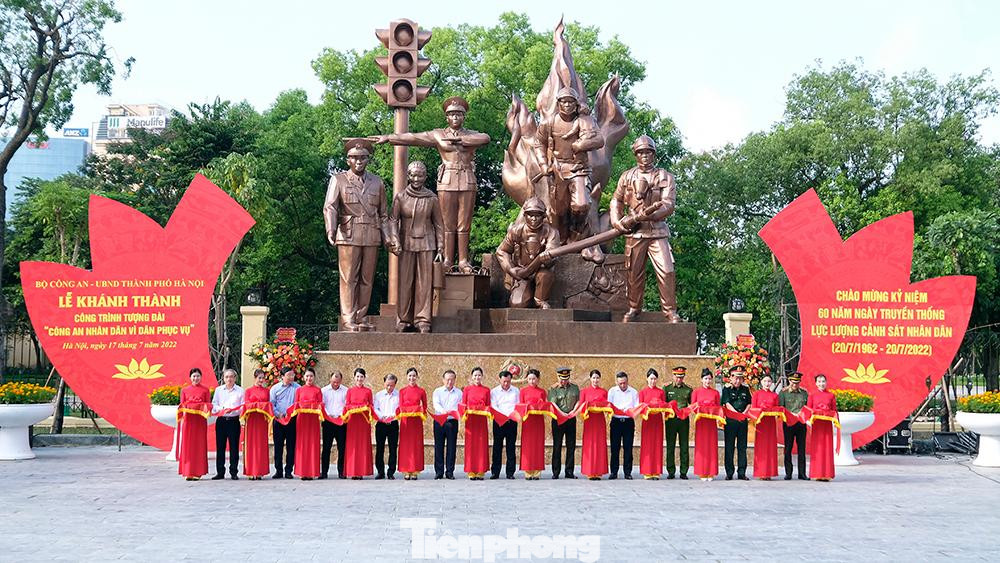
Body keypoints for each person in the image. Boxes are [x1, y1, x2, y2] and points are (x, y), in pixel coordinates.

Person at [373, 96, 491, 273]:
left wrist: (462, 141)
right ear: (447, 118)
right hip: (446, 181)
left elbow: (486, 138)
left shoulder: (471, 134)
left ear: (464, 117)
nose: (456, 117)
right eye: (452, 114)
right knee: (447, 223)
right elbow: (413, 137)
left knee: (464, 224)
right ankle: (448, 260)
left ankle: (464, 261)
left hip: (467, 179)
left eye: (459, 114)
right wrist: (390, 137)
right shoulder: (439, 134)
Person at [609, 134, 680, 322]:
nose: (645, 156)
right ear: (636, 155)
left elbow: (669, 204)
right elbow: (616, 200)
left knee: (667, 270)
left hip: (657, 232)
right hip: (635, 233)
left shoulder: (665, 176)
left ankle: (670, 310)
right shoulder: (627, 176)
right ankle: (633, 308)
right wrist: (617, 221)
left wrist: (651, 214)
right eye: (641, 153)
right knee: (633, 273)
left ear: (654, 154)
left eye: (648, 152)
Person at [532, 86, 606, 263]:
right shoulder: (548, 123)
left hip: (579, 169)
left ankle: (580, 239)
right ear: (558, 104)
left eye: (571, 102)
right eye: (564, 102)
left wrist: (581, 145)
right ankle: (561, 241)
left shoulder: (584, 120)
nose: (567, 105)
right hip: (558, 170)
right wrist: (543, 164)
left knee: (581, 204)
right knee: (558, 210)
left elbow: (599, 140)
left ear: (576, 104)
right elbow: (538, 144)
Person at [323, 138, 391, 331]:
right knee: (348, 278)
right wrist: (331, 229)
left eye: (363, 158)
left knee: (367, 278)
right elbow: (330, 207)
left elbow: (384, 214)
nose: (359, 161)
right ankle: (348, 318)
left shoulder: (377, 182)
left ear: (368, 160)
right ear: (348, 160)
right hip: (348, 233)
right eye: (354, 158)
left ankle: (361, 317)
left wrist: (387, 237)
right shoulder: (339, 180)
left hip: (371, 233)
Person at [386, 161, 444, 332]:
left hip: (427, 243)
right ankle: (403, 319)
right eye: (413, 175)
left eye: (420, 175)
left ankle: (423, 319)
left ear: (425, 177)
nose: (417, 178)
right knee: (405, 282)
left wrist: (440, 248)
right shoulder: (401, 197)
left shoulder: (432, 198)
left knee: (424, 283)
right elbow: (393, 220)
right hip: (405, 243)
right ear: (408, 176)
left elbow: (439, 224)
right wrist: (395, 239)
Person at [495, 197, 560, 309]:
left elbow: (552, 251)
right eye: (530, 215)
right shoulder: (516, 231)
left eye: (537, 215)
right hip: (522, 273)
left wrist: (547, 258)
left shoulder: (551, 232)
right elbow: (502, 251)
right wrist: (510, 269)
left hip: (540, 270)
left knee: (545, 275)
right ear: (525, 215)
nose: (534, 219)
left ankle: (540, 300)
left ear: (543, 216)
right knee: (517, 304)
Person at [178, 368, 212, 481]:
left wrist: (200, 405)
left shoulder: (205, 390)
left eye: (198, 376)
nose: (196, 378)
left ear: (201, 377)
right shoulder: (185, 390)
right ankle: (187, 471)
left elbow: (208, 405)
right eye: (194, 376)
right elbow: (182, 405)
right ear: (190, 378)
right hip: (188, 421)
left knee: (199, 445)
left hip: (200, 421)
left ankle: (198, 472)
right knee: (188, 446)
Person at [211, 368, 244, 480]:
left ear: (235, 378)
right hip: (221, 421)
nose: (229, 379)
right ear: (223, 378)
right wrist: (223, 409)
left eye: (231, 376)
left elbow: (243, 407)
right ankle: (220, 472)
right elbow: (214, 405)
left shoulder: (240, 391)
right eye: (226, 377)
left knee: (234, 447)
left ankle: (233, 472)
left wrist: (233, 410)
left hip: (234, 420)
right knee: (220, 447)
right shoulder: (219, 390)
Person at [577, 369, 610, 480]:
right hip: (589, 420)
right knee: (589, 445)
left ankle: (599, 471)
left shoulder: (604, 392)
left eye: (597, 378)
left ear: (600, 379)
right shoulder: (584, 392)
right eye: (593, 377)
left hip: (600, 420)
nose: (595, 380)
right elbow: (581, 406)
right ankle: (590, 471)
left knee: (600, 444)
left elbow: (607, 405)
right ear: (590, 379)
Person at [722, 365, 752, 480]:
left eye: (740, 378)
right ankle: (729, 472)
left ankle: (741, 472)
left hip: (742, 422)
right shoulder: (727, 389)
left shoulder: (745, 389)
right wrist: (736, 414)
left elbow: (749, 403)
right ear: (731, 377)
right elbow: (727, 403)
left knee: (742, 447)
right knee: (729, 447)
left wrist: (744, 413)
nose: (738, 380)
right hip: (730, 421)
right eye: (735, 378)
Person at [549, 366, 580, 479]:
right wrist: (562, 414)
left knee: (571, 445)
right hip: (558, 419)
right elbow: (553, 404)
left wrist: (572, 412)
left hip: (571, 418)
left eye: (566, 378)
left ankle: (569, 471)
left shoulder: (575, 388)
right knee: (557, 445)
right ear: (558, 377)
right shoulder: (553, 389)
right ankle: (556, 472)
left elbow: (578, 401)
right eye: (562, 378)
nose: (564, 381)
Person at [269, 366, 300, 479]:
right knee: (278, 446)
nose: (291, 377)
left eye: (292, 375)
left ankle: (288, 471)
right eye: (289, 375)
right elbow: (271, 404)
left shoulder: (297, 388)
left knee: (291, 446)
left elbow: (299, 403)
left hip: (292, 420)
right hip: (279, 420)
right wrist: (278, 413)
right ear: (282, 376)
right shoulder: (275, 389)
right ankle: (278, 470)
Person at [398, 368, 428, 480]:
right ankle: (406, 470)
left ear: (417, 377)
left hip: (416, 422)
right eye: (410, 376)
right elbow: (401, 406)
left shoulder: (421, 391)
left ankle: (415, 470)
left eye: (414, 376)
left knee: (416, 445)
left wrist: (420, 411)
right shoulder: (402, 391)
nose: (412, 378)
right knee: (405, 446)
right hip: (406, 421)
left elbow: (424, 406)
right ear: (406, 377)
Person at [461, 367, 492, 480]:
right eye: (475, 375)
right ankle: (471, 470)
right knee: (470, 445)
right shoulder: (467, 390)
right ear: (471, 377)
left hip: (481, 421)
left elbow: (489, 405)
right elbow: (463, 405)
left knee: (481, 444)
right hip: (470, 421)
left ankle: (480, 471)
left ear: (482, 376)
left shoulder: (486, 390)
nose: (477, 377)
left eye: (479, 375)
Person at [691, 370, 721, 481]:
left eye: (709, 379)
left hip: (711, 423)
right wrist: (702, 408)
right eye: (705, 378)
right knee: (701, 446)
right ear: (701, 380)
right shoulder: (696, 392)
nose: (707, 381)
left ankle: (711, 472)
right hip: (701, 422)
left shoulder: (715, 393)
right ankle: (702, 472)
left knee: (711, 446)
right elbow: (693, 407)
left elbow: (718, 408)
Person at [344, 368, 374, 479]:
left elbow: (371, 406)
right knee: (352, 446)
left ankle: (361, 471)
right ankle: (352, 471)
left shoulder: (368, 391)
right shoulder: (350, 391)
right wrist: (355, 408)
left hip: (364, 421)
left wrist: (365, 407)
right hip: (352, 422)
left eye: (361, 377)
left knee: (362, 445)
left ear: (364, 378)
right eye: (357, 376)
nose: (359, 379)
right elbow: (347, 405)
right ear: (354, 378)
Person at [779, 371, 809, 480]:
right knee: (788, 448)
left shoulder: (804, 393)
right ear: (789, 381)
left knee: (802, 449)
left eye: (797, 382)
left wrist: (801, 414)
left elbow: (807, 408)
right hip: (788, 423)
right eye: (792, 382)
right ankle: (788, 473)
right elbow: (781, 408)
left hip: (801, 423)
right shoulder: (783, 393)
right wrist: (790, 414)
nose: (794, 384)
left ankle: (802, 473)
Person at [293, 369, 323, 480]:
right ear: (303, 377)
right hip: (302, 420)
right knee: (302, 444)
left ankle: (312, 471)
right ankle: (302, 471)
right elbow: (296, 404)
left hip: (313, 420)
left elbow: (320, 405)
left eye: (311, 376)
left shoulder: (318, 390)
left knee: (312, 444)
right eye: (307, 376)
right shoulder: (299, 390)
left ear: (314, 377)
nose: (309, 378)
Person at [807, 374, 838, 481]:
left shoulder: (831, 395)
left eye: (823, 381)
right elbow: (808, 410)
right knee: (817, 448)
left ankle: (827, 474)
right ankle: (816, 473)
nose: (821, 384)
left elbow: (834, 410)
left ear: (826, 382)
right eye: (819, 381)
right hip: (817, 425)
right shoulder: (812, 395)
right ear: (816, 383)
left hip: (827, 425)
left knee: (827, 448)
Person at [607, 371, 638, 479]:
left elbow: (636, 407)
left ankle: (627, 472)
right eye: (620, 383)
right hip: (616, 421)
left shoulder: (633, 392)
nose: (623, 385)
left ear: (627, 381)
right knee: (615, 448)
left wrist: (629, 411)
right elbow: (609, 406)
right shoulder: (612, 391)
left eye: (624, 383)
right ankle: (614, 472)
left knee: (628, 448)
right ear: (617, 382)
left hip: (628, 422)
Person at [242, 369, 272, 480]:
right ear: (255, 378)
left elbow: (268, 405)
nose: (261, 380)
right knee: (250, 445)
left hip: (262, 421)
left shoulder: (267, 391)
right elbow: (246, 404)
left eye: (262, 378)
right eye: (259, 378)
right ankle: (250, 470)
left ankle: (260, 471)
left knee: (261, 445)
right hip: (251, 420)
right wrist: (257, 405)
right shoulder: (248, 391)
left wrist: (260, 406)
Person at [663, 366, 692, 479]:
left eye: (681, 377)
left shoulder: (688, 389)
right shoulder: (667, 388)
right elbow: (663, 404)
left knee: (684, 446)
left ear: (684, 376)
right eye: (677, 376)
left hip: (683, 420)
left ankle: (683, 471)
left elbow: (692, 404)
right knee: (671, 446)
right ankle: (671, 471)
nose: (679, 379)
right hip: (671, 420)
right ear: (673, 376)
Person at [490, 369, 520, 479]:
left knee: (511, 447)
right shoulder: (494, 391)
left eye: (508, 381)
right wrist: (504, 415)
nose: (506, 384)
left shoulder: (516, 391)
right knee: (497, 446)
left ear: (511, 380)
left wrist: (510, 415)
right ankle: (495, 472)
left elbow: (517, 405)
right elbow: (494, 406)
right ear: (500, 380)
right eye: (504, 381)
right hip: (498, 421)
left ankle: (510, 472)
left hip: (512, 421)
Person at [432, 369, 462, 480]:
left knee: (451, 447)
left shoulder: (459, 393)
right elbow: (436, 404)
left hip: (452, 421)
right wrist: (444, 411)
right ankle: (439, 472)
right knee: (438, 446)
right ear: (443, 380)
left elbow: (460, 406)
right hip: (439, 420)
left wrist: (453, 412)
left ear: (455, 380)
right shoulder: (437, 391)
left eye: (452, 379)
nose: (450, 382)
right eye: (447, 379)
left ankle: (450, 472)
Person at [519, 368, 548, 480]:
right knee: (527, 445)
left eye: (534, 379)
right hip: (528, 421)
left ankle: (536, 471)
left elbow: (545, 405)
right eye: (530, 379)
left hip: (538, 421)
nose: (531, 381)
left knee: (537, 445)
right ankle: (528, 471)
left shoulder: (542, 392)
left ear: (538, 379)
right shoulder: (523, 391)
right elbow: (520, 406)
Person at [638, 368, 667, 479]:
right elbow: (640, 407)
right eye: (651, 379)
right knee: (647, 445)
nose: (653, 381)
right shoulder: (642, 392)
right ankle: (647, 471)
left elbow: (664, 405)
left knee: (657, 445)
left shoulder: (661, 392)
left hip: (658, 421)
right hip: (647, 421)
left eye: (655, 379)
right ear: (647, 379)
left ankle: (656, 471)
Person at [750, 374, 780, 480]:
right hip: (760, 424)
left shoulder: (775, 396)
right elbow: (753, 409)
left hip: (771, 424)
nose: (767, 383)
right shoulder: (756, 394)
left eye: (769, 381)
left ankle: (769, 472)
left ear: (771, 383)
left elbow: (777, 409)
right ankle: (761, 472)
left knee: (770, 447)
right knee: (761, 448)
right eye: (765, 381)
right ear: (761, 382)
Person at [320, 371, 348, 479]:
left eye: (338, 382)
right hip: (328, 422)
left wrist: (341, 415)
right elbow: (322, 405)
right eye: (334, 382)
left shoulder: (346, 391)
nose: (336, 384)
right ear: (330, 380)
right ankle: (324, 472)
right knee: (326, 448)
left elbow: (346, 405)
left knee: (342, 448)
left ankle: (341, 471)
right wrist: (329, 416)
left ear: (341, 380)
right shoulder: (324, 391)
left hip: (341, 422)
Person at [374, 373, 401, 479]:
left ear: (395, 384)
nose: (389, 387)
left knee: (393, 448)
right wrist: (382, 417)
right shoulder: (378, 395)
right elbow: (375, 408)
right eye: (387, 385)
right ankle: (380, 471)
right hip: (381, 423)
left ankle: (391, 472)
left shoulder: (399, 395)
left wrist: (392, 416)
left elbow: (400, 409)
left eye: (392, 385)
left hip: (393, 424)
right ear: (384, 383)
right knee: (380, 448)